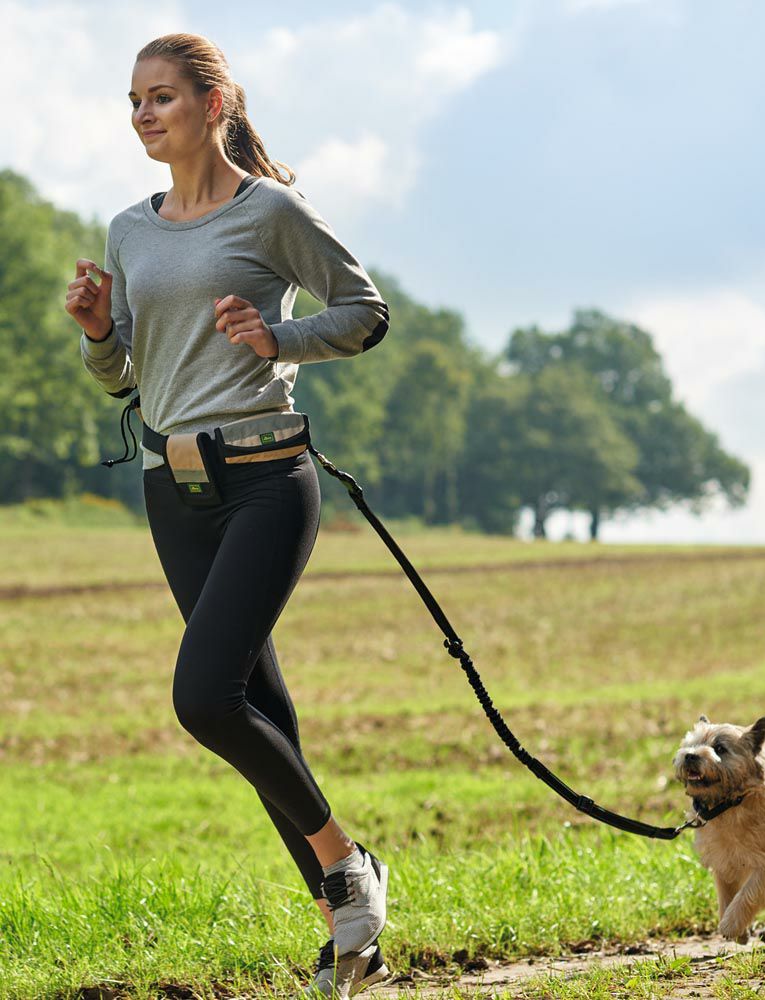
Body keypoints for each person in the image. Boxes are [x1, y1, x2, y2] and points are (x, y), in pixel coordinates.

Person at [64, 32, 390, 999]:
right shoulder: (130, 227)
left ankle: (348, 865)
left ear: (214, 105)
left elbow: (363, 311)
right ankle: (354, 945)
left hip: (263, 479)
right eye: (133, 100)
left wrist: (278, 333)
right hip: (173, 490)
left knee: (205, 699)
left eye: (160, 97)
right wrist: (95, 333)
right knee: (263, 714)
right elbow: (127, 370)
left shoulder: (270, 211)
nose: (142, 114)